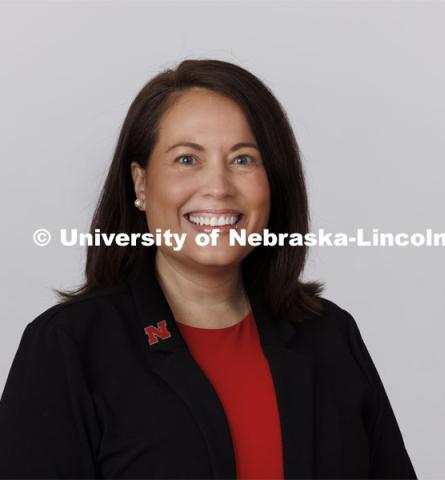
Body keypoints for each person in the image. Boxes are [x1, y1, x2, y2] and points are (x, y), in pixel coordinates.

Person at [0, 59, 417, 479]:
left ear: (272, 181)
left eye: (243, 160)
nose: (218, 187)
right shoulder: (68, 347)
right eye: (186, 159)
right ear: (140, 183)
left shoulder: (330, 337)